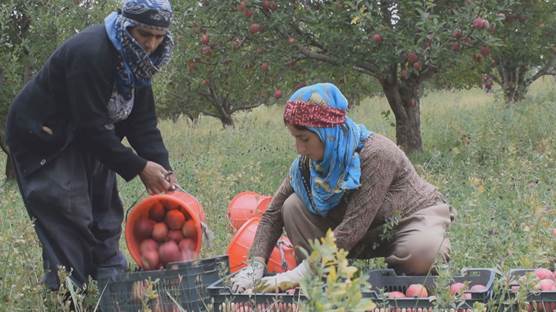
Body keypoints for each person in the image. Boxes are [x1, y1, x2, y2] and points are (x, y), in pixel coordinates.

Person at [5, 0, 176, 290]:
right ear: (127, 26)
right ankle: (71, 295)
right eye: (144, 34)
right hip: (44, 138)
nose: (151, 43)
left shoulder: (138, 63)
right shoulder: (92, 52)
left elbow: (142, 124)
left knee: (105, 214)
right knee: (67, 213)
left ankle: (111, 287)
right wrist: (139, 167)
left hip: (89, 137)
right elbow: (90, 125)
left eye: (159, 36)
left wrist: (164, 170)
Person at [231, 83, 455, 293]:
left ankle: (395, 279)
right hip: (357, 231)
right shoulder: (306, 166)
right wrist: (255, 265)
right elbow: (272, 215)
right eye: (295, 138)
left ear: (327, 132)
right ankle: (325, 281)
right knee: (292, 206)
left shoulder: (376, 154)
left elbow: (353, 226)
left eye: (304, 138)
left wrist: (298, 272)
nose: (299, 148)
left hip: (407, 219)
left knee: (422, 253)